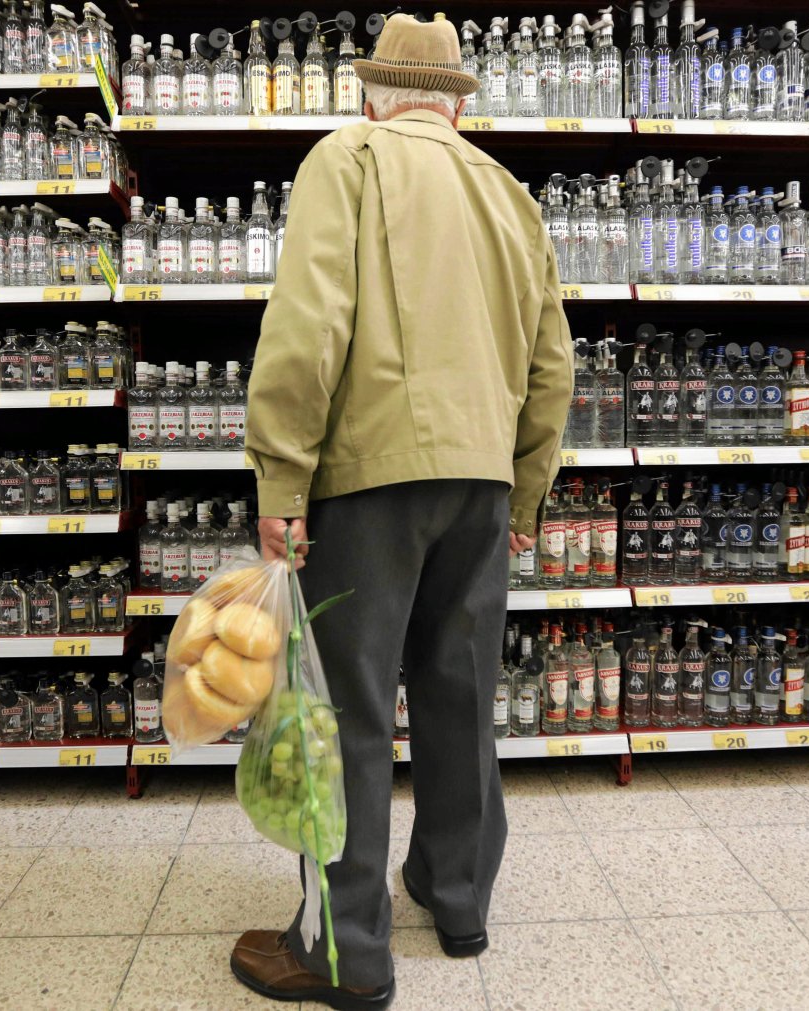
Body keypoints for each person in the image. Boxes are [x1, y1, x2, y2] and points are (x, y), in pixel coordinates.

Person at [229, 13, 573, 1010]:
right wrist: (527, 487)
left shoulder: (348, 156)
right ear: (455, 100)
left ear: (372, 93)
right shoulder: (507, 191)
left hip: (370, 476)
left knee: (348, 714)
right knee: (461, 690)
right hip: (482, 481)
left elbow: (307, 323)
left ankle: (343, 952)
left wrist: (281, 475)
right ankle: (457, 898)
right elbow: (553, 360)